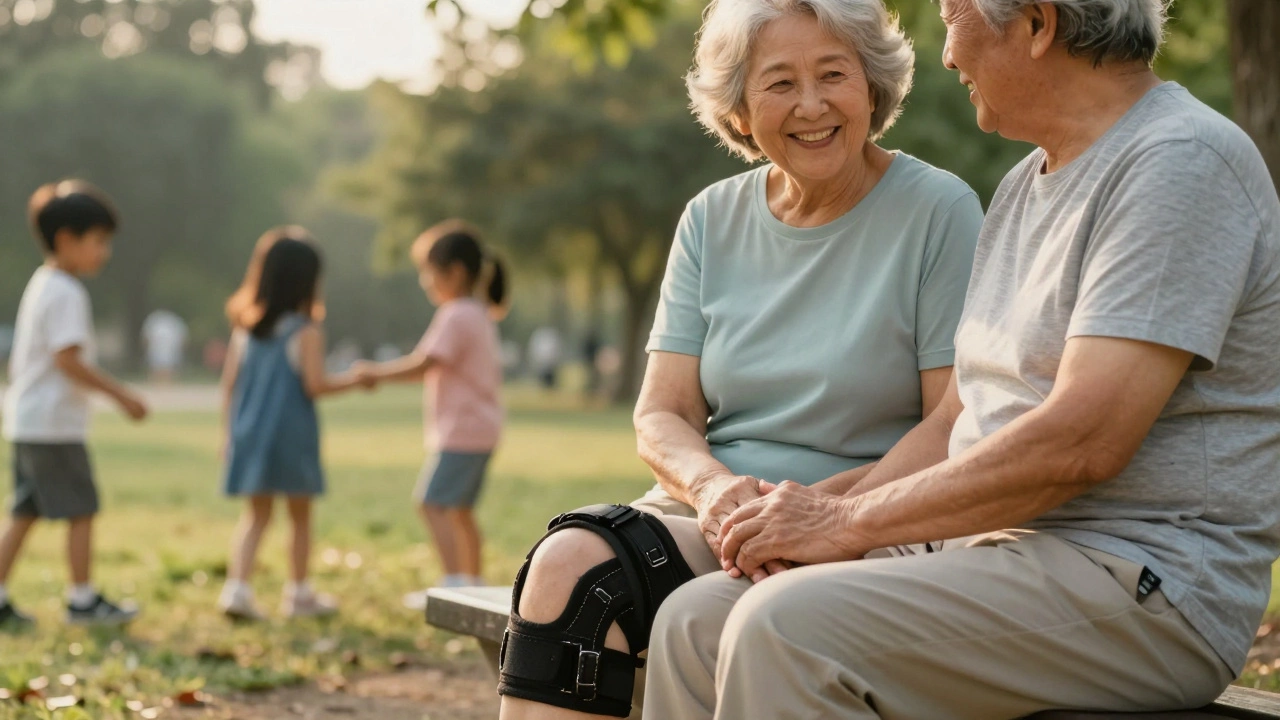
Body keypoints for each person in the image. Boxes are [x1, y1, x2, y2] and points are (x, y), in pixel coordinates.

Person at [642, 0, 1280, 717]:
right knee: (695, 622)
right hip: (991, 550)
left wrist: (848, 525)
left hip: (1139, 577)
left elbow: (1084, 442)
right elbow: (964, 418)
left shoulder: (1178, 162)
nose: (945, 56)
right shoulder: (1026, 184)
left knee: (786, 627)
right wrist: (821, 509)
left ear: (1037, 23)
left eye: (953, 15)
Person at [496, 0, 984, 716]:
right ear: (740, 108)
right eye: (779, 82)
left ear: (872, 85)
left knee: (705, 612)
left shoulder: (940, 211)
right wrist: (715, 490)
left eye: (833, 74)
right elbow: (661, 413)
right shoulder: (710, 218)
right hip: (720, 516)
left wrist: (821, 516)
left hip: (869, 522)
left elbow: (952, 423)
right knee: (571, 571)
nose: (811, 104)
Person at [0, 180, 149, 628]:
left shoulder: (44, 283)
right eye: (98, 241)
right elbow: (68, 359)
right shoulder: (65, 291)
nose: (104, 252)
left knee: (24, 510)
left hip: (29, 421)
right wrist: (121, 394)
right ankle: (82, 600)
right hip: (53, 424)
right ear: (67, 239)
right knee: (81, 508)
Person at [216, 228, 373, 621]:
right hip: (291, 436)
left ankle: (237, 588)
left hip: (249, 433)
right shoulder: (305, 331)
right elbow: (315, 385)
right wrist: (355, 380)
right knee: (300, 515)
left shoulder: (245, 330)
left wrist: (227, 435)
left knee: (256, 515)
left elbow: (229, 387)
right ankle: (299, 593)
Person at [355, 221, 508, 609]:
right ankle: (473, 583)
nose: (425, 282)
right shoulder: (477, 313)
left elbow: (423, 364)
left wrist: (375, 373)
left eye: (428, 271)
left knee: (432, 503)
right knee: (459, 510)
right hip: (481, 430)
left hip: (462, 432)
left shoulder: (456, 315)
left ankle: (455, 585)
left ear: (454, 272)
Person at [142, 309, 188, 384]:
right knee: (157, 367)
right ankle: (157, 384)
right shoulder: (173, 321)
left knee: (166, 367)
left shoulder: (154, 321)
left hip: (167, 349)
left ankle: (165, 385)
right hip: (159, 349)